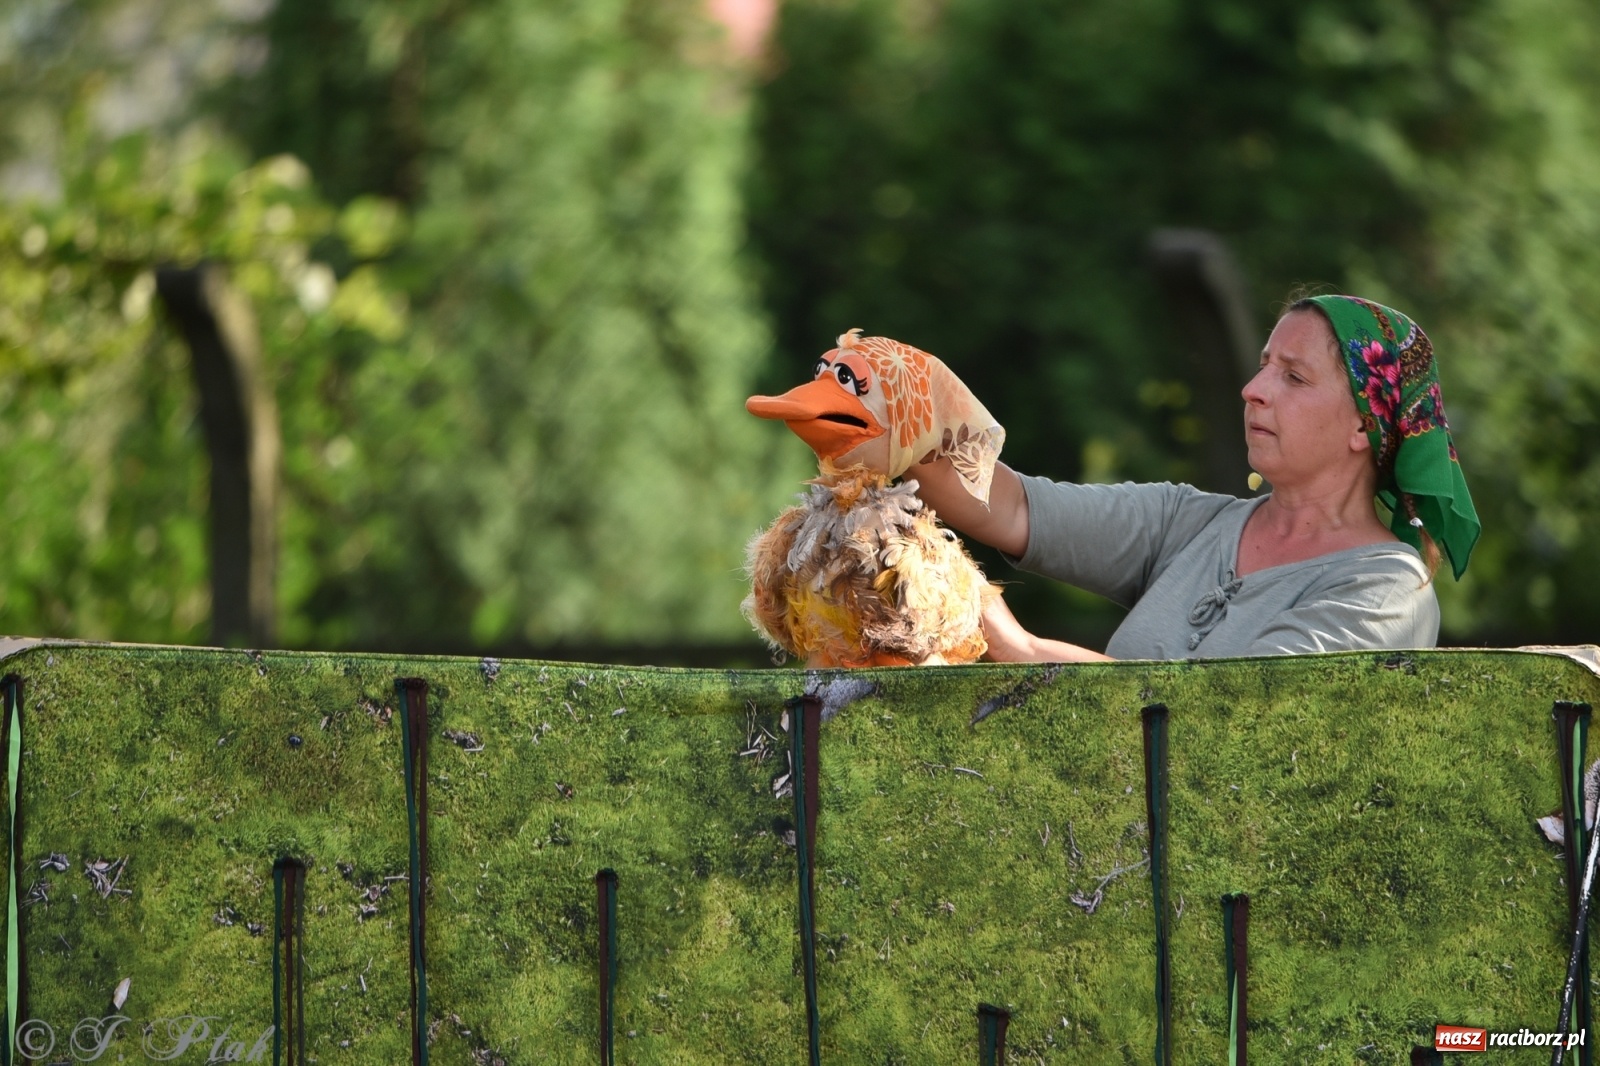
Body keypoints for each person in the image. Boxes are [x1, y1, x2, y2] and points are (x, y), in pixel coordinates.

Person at [911, 294, 1481, 661]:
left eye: (1294, 377)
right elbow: (1011, 507)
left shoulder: (1387, 591)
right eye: (1264, 365)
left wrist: (1021, 646)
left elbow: (1214, 729)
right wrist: (898, 419)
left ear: (1363, 424)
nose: (1253, 390)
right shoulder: (1187, 522)